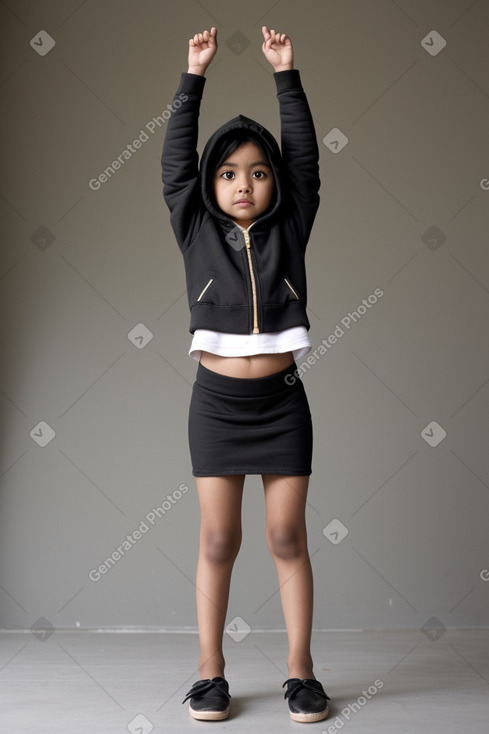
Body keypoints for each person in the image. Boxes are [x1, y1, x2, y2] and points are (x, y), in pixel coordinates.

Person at [161, 25, 330, 724]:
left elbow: (305, 163)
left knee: (287, 537)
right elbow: (174, 164)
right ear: (210, 184)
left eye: (257, 171)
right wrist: (191, 76)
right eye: (228, 172)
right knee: (217, 540)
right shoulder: (194, 226)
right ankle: (209, 674)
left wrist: (284, 75)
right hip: (217, 404)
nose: (243, 183)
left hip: (282, 403)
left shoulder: (293, 223)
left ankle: (300, 675)